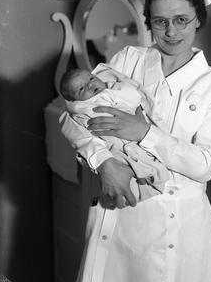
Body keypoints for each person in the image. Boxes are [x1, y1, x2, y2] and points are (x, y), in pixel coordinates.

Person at [59, 0, 211, 282]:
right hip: (120, 213)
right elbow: (72, 118)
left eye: (181, 20)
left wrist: (144, 133)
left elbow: (205, 165)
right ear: (148, 21)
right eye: (160, 21)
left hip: (180, 223)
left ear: (198, 20)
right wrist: (103, 162)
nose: (170, 31)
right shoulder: (126, 61)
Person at [60, 66, 169, 202]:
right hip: (113, 147)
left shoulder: (116, 89)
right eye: (81, 89)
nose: (90, 85)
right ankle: (134, 189)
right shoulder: (79, 110)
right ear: (74, 100)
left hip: (136, 137)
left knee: (152, 165)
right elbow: (77, 133)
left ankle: (150, 181)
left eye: (91, 78)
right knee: (123, 174)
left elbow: (135, 97)